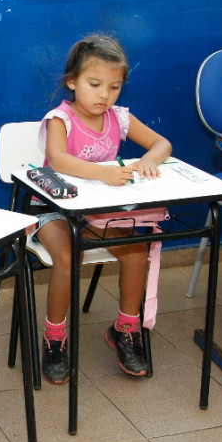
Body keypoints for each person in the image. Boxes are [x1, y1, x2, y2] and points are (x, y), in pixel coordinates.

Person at [36, 34, 172, 383]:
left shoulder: (120, 118)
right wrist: (103, 173)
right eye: (94, 84)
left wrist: (146, 161)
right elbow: (59, 159)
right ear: (72, 81)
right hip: (55, 210)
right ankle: (54, 337)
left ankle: (125, 329)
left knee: (136, 252)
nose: (104, 95)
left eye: (114, 87)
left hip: (99, 213)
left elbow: (162, 144)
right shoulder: (59, 119)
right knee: (68, 258)